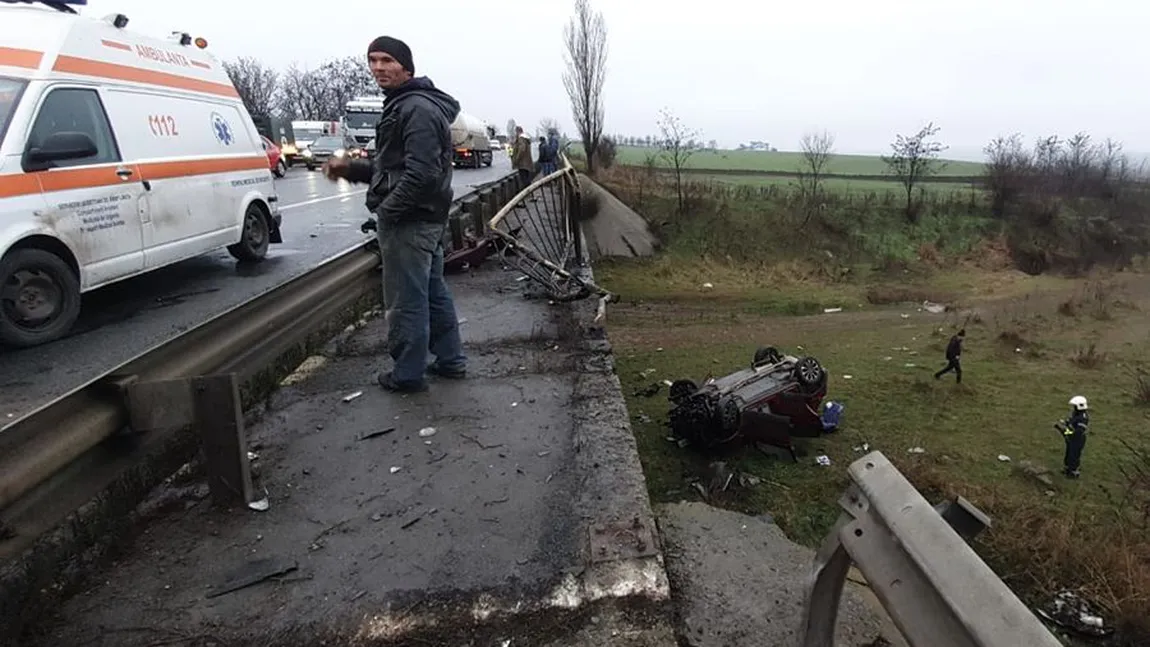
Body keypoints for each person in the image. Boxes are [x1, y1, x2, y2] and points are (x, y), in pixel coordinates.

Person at [322, 35, 466, 393]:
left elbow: (421, 174)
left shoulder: (414, 108)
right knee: (432, 292)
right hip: (425, 217)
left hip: (410, 220)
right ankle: (450, 360)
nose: (378, 68)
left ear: (407, 66)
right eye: (373, 60)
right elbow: (397, 169)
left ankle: (407, 374)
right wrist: (353, 171)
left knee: (406, 300)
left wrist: (387, 211)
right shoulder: (408, 104)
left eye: (387, 60)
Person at [1060, 395, 1090, 478]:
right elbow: (1071, 421)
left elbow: (1079, 431)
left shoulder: (1083, 417)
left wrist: (1067, 432)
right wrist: (1065, 424)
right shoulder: (1076, 414)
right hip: (1072, 437)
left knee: (1074, 455)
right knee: (1069, 453)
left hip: (1078, 439)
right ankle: (1067, 468)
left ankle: (1073, 472)